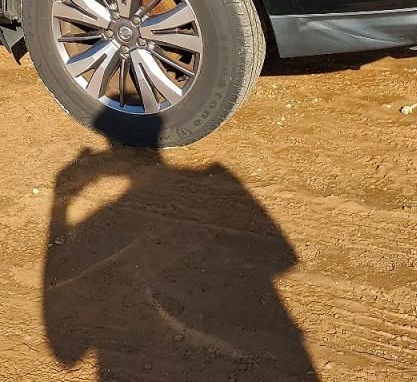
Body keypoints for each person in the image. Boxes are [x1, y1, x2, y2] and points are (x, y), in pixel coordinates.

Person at [43, 109, 319, 381]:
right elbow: (281, 258)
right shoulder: (216, 180)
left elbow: (66, 352)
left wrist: (61, 202)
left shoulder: (104, 222)